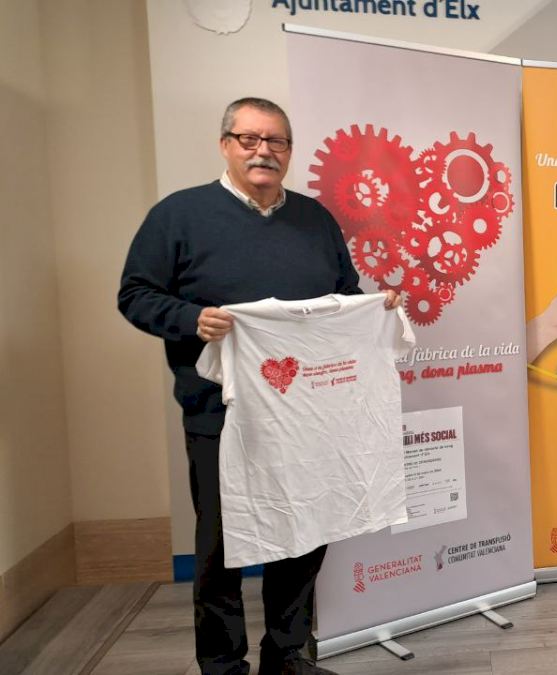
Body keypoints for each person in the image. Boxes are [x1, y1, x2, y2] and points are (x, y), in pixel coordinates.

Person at [118, 97, 396, 675]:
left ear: (289, 152)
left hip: (311, 411)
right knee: (223, 547)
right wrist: (191, 319)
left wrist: (374, 308)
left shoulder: (315, 218)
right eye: (249, 139)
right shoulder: (179, 215)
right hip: (221, 412)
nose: (263, 151)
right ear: (226, 145)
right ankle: (223, 666)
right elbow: (136, 295)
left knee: (306, 530)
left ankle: (287, 655)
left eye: (276, 141)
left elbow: (342, 296)